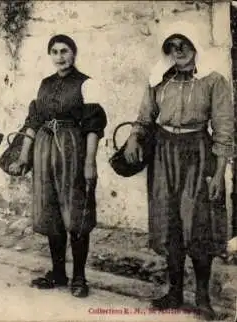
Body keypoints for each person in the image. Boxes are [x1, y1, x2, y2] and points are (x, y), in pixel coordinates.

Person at [123, 22, 233, 320]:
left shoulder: (213, 80)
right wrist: (134, 137)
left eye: (183, 44)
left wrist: (220, 172)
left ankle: (201, 298)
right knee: (168, 220)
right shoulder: (159, 80)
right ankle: (174, 293)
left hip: (197, 152)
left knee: (199, 223)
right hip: (163, 151)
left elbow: (224, 129)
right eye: (172, 46)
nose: (178, 50)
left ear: (195, 45)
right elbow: (145, 117)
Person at [9, 34, 107, 297]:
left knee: (75, 214)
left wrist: (89, 163)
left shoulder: (86, 84)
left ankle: (79, 278)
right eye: (54, 51)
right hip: (43, 150)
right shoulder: (44, 84)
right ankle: (58, 273)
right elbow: (33, 122)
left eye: (65, 51)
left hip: (72, 150)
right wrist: (23, 157)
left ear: (74, 54)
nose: (60, 56)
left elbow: (93, 128)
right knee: (50, 212)